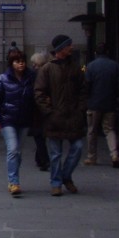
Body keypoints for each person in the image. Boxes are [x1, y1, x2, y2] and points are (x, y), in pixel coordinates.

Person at [34, 35, 87, 196]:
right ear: (61, 49)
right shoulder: (47, 69)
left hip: (73, 117)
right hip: (55, 118)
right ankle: (56, 182)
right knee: (56, 153)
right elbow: (39, 93)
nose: (71, 47)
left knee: (77, 147)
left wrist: (80, 109)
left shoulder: (75, 67)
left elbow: (83, 90)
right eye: (68, 45)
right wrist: (49, 111)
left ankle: (65, 176)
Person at [0, 48, 35, 196]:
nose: (21, 64)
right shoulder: (3, 79)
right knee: (13, 148)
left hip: (24, 119)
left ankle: (14, 177)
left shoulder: (31, 78)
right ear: (11, 63)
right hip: (7, 119)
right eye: (17, 62)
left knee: (18, 152)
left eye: (22, 62)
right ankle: (13, 182)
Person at [84, 43, 119, 168]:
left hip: (94, 103)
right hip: (110, 103)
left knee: (92, 131)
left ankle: (92, 157)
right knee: (109, 130)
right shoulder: (115, 65)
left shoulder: (90, 66)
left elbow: (86, 85)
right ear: (107, 52)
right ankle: (114, 154)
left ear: (96, 53)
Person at [29, 50, 51, 171]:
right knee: (40, 136)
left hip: (37, 108)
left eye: (35, 64)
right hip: (44, 108)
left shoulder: (34, 75)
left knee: (39, 135)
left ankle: (43, 159)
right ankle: (40, 158)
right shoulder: (48, 73)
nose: (33, 66)